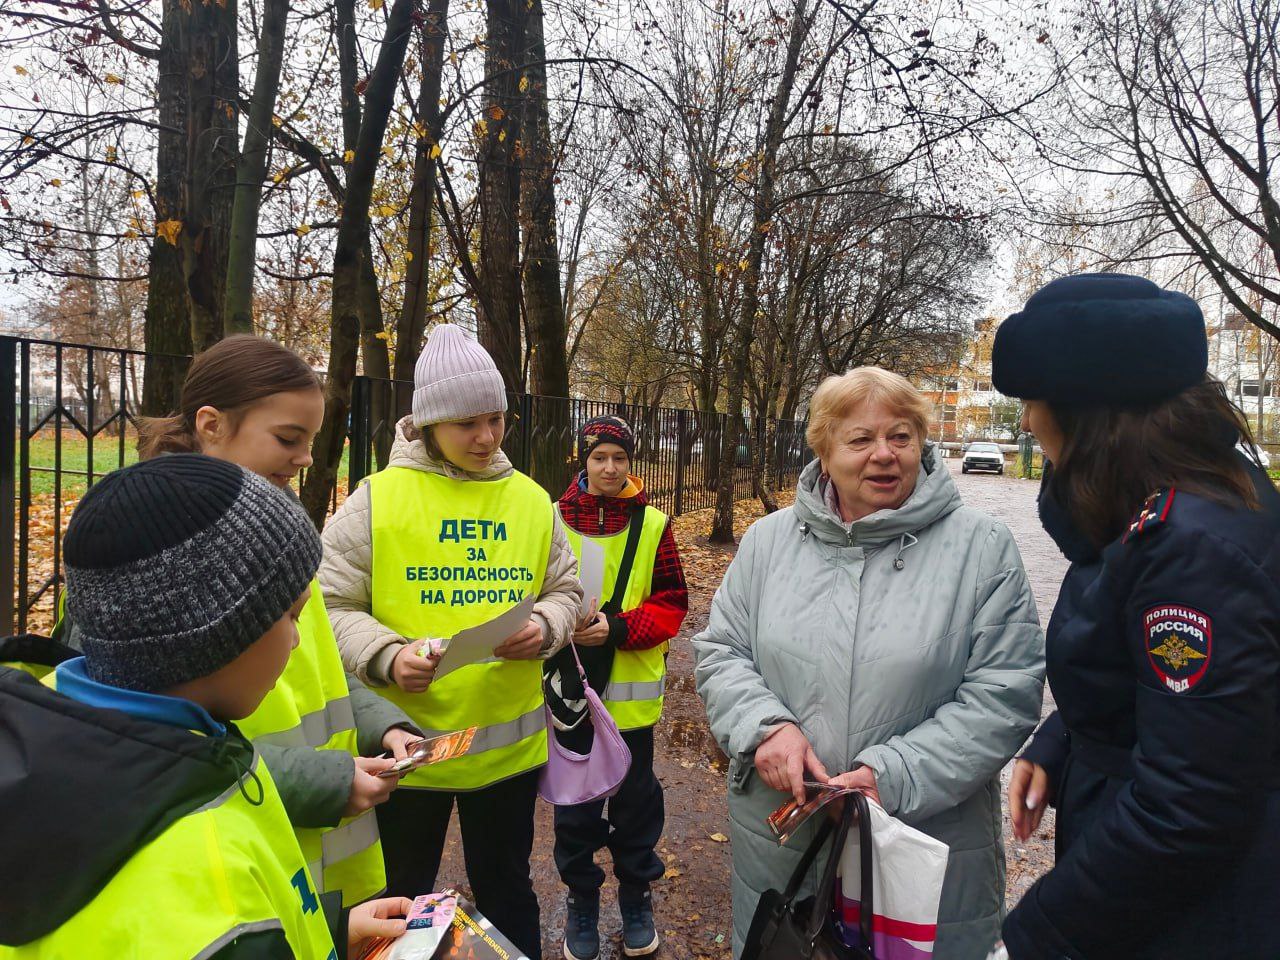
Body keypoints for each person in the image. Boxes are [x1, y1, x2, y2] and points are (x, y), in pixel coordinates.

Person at [692, 366, 1045, 959]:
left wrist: (894, 774)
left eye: (902, 436)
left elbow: (1004, 693)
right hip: (784, 840)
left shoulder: (982, 549)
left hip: (925, 846)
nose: (884, 454)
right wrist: (766, 728)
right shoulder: (768, 542)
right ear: (824, 452)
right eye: (860, 440)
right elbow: (722, 650)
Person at [0, 455, 412, 957]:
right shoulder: (207, 863)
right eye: (291, 615)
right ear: (216, 639)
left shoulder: (66, 743)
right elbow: (223, 921)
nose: (301, 642)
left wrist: (325, 928)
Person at [991, 273, 1280, 959]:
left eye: (1033, 402)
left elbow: (1188, 811)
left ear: (1086, 410)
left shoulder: (1187, 549)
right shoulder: (1173, 504)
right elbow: (1186, 707)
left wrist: (1037, 936)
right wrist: (1066, 740)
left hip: (1200, 917)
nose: (1028, 421)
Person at [321, 323, 582, 959]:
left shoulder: (530, 499)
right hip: (408, 756)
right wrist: (385, 655)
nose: (486, 436)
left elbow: (568, 591)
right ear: (429, 422)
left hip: (506, 756)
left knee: (508, 892)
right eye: (467, 422)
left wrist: (546, 627)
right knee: (397, 900)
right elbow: (329, 606)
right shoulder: (376, 500)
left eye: (495, 418)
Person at [130, 335, 416, 908]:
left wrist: (383, 724)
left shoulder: (273, 527)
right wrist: (325, 782)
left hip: (314, 873)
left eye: (310, 440)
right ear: (211, 424)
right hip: (237, 871)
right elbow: (149, 746)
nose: (307, 458)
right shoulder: (149, 553)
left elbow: (319, 663)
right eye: (288, 439)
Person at [546, 416, 689, 960]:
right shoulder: (552, 519)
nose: (610, 468)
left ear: (631, 462)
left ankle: (636, 895)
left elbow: (672, 601)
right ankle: (582, 900)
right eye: (600, 457)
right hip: (570, 693)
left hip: (631, 695)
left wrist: (622, 628)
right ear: (583, 461)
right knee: (576, 805)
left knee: (635, 804)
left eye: (620, 458)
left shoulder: (652, 524)